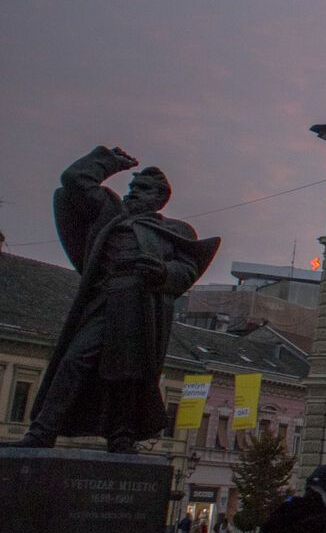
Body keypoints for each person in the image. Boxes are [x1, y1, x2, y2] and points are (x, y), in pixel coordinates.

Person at [19, 146, 219, 451]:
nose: (131, 193)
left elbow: (187, 269)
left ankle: (122, 434)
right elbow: (74, 179)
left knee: (129, 372)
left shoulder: (175, 231)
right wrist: (109, 161)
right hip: (104, 299)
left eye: (141, 189)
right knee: (74, 361)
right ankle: (44, 429)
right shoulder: (108, 213)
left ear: (159, 197)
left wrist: (163, 271)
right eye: (132, 188)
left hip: (139, 305)